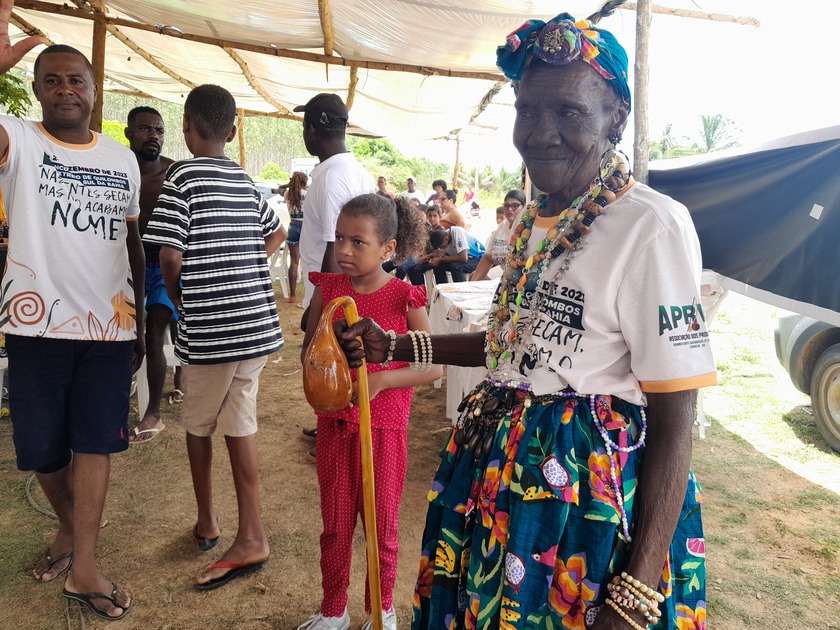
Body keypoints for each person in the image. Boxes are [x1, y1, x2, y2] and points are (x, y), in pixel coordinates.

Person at [336, 11, 717, 630]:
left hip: (582, 505)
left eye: (569, 111)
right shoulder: (533, 220)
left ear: (616, 117)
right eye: (528, 110)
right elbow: (509, 347)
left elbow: (676, 418)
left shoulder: (652, 226)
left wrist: (634, 592)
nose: (541, 133)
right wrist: (395, 345)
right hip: (496, 479)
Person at [0, 31, 144, 621]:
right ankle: (69, 528)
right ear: (36, 90)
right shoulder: (18, 139)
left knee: (94, 442)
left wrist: (137, 322)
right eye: (52, 80)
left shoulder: (121, 158)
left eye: (76, 80)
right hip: (35, 325)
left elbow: (132, 243)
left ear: (94, 91)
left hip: (107, 329)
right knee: (41, 449)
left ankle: (84, 566)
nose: (65, 89)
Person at [143, 84, 286, 590]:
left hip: (211, 330)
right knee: (241, 423)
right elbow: (277, 232)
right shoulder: (244, 180)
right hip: (255, 326)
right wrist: (246, 266)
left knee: (199, 425)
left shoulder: (182, 177)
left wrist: (180, 299)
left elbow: (169, 256)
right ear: (232, 130)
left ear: (185, 126)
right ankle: (251, 531)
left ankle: (209, 522)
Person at [297, 193, 441, 630]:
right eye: (340, 238)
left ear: (388, 248)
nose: (344, 250)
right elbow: (310, 351)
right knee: (335, 524)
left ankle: (382, 609)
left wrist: (379, 382)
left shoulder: (403, 296)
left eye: (357, 242)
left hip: (384, 429)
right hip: (335, 425)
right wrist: (326, 369)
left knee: (382, 527)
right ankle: (333, 610)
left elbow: (432, 367)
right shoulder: (329, 289)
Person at [295, 92, 374, 452]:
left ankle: (337, 432)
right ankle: (330, 423)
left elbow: (334, 247)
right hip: (354, 286)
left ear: (311, 130)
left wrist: (320, 310)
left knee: (328, 359)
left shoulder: (330, 178)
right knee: (345, 360)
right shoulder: (356, 171)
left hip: (335, 290)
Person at [125, 106, 181, 443]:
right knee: (123, 334)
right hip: (123, 264)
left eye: (159, 130)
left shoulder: (174, 173)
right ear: (129, 133)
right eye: (145, 129)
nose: (153, 136)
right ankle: (118, 402)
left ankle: (153, 413)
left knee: (156, 332)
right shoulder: (118, 167)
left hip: (162, 264)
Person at [471, 189, 527, 281]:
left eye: (515, 205)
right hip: (505, 273)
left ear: (524, 207)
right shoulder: (502, 227)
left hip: (523, 278)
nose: (510, 209)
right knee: (473, 276)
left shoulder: (528, 229)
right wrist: (472, 283)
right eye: (506, 205)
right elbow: (488, 258)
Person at [408, 225, 484, 285]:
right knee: (438, 265)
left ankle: (461, 291)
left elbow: (463, 258)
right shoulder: (442, 239)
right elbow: (441, 255)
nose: (442, 248)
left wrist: (440, 259)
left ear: (446, 239)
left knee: (455, 266)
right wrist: (430, 257)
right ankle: (443, 289)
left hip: (478, 259)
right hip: (464, 259)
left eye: (442, 246)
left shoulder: (457, 232)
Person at [284, 171, 309, 303]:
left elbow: (279, 188)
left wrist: (288, 185)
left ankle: (292, 295)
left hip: (293, 227)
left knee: (294, 262)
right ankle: (308, 293)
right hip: (306, 227)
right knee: (308, 262)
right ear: (304, 183)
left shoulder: (288, 194)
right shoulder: (307, 194)